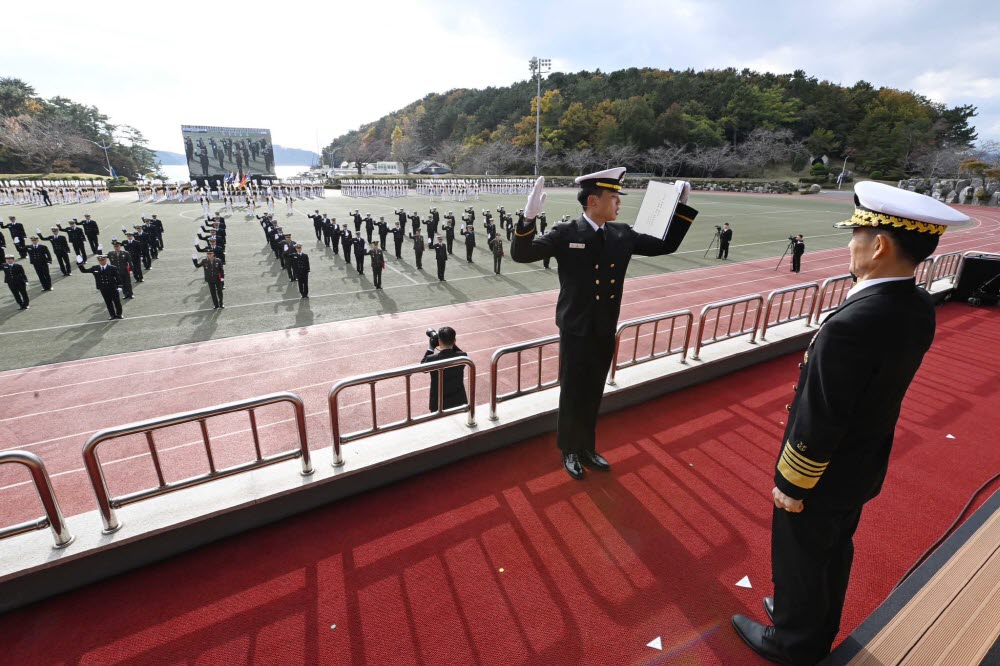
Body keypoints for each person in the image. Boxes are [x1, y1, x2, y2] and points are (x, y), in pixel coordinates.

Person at [730, 182, 970, 666]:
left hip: (823, 470)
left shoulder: (853, 323)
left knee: (801, 554)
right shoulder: (915, 304)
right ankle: (810, 617)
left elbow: (824, 413)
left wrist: (792, 482)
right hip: (862, 461)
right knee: (834, 550)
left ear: (879, 244)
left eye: (856, 234)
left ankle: (794, 641)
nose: (849, 244)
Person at [510, 168, 697, 480]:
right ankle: (569, 449)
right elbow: (522, 254)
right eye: (614, 197)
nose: (619, 203)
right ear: (593, 201)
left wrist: (679, 209)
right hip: (576, 328)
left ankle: (587, 447)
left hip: (604, 327)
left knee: (594, 390)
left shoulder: (621, 235)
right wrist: (528, 220)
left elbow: (664, 245)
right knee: (572, 391)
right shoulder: (566, 232)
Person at [420, 326, 468, 412]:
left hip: (438, 403)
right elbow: (459, 351)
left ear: (439, 341)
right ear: (454, 340)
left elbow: (423, 368)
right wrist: (452, 343)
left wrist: (430, 348)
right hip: (458, 400)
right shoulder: (463, 357)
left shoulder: (432, 359)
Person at [77, 254, 123, 320]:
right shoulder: (95, 268)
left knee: (117, 302)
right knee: (108, 302)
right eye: (100, 260)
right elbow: (84, 271)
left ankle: (119, 314)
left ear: (106, 260)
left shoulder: (112, 268)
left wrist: (120, 286)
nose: (102, 262)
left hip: (113, 288)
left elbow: (118, 278)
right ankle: (112, 315)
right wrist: (80, 263)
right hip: (103, 289)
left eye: (103, 260)